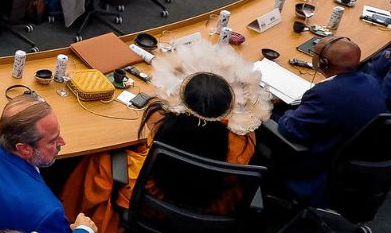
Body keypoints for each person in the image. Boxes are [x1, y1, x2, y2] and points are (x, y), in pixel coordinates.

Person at [61, 44, 269, 233]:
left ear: (180, 105)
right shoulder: (242, 143)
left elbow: (153, 123)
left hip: (151, 207)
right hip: (210, 210)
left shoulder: (166, 128)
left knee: (102, 159)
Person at [0, 95, 96, 233]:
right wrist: (84, 229)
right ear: (24, 149)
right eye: (52, 140)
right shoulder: (47, 212)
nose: (62, 142)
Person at [272, 36, 387, 204]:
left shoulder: (325, 94)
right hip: (357, 162)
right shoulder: (371, 81)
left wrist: (287, 111)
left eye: (314, 53)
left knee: (267, 116)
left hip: (321, 166)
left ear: (323, 63)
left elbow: (289, 128)